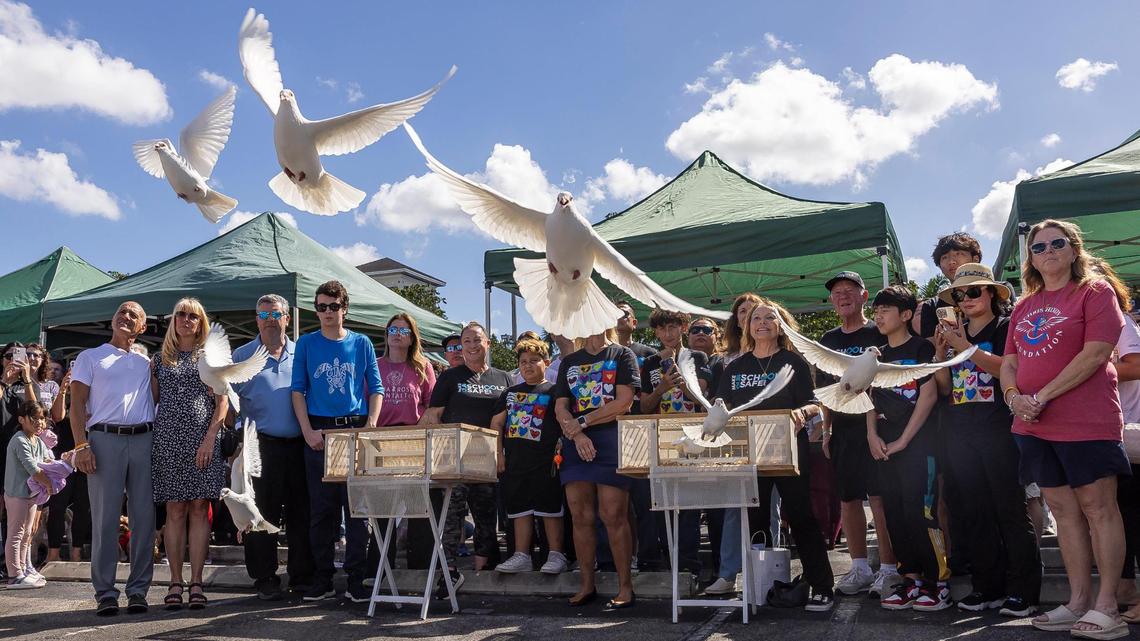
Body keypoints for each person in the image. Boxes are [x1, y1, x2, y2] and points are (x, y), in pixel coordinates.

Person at [1000, 220, 1129, 638]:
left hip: (1086, 421)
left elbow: (1096, 354)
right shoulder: (1024, 305)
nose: (1049, 251)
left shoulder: (1095, 291)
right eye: (1039, 247)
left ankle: (1108, 605)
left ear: (1074, 251)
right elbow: (1010, 361)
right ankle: (1077, 602)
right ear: (1031, 258)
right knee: (1064, 513)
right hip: (1033, 426)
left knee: (1099, 509)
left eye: (1058, 243)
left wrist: (1043, 396)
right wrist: (1014, 398)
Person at [713, 299, 835, 611]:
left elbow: (814, 403)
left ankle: (822, 586)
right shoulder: (735, 368)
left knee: (801, 517)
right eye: (756, 318)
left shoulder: (792, 363)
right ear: (747, 326)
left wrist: (799, 412)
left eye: (770, 318)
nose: (763, 323)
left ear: (780, 326)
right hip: (748, 455)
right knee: (755, 521)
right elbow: (721, 406)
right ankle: (760, 586)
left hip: (788, 453)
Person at [933, 264, 1041, 616]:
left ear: (993, 293)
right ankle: (986, 587)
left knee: (1010, 511)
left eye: (974, 291)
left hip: (1000, 429)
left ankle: (1023, 591)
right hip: (961, 433)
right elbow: (947, 390)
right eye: (959, 294)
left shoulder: (1007, 327)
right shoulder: (954, 333)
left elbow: (1013, 371)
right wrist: (940, 355)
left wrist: (964, 347)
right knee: (974, 513)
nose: (966, 299)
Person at [291, 280, 384, 604]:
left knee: (358, 510)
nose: (326, 313)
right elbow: (297, 391)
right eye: (320, 307)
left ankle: (357, 580)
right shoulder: (305, 343)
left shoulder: (361, 344)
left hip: (355, 430)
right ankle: (323, 578)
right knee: (322, 512)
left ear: (344, 308)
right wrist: (307, 431)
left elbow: (376, 387)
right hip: (319, 432)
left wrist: (370, 425)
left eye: (332, 306)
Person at [70, 301, 157, 616]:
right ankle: (106, 592)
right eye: (122, 311)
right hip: (103, 440)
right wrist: (81, 446)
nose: (126, 316)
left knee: (144, 519)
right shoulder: (90, 357)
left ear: (142, 328)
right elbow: (76, 404)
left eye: (135, 314)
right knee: (105, 519)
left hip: (144, 439)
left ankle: (138, 591)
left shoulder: (147, 362)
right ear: (112, 320)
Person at [868, 286, 950, 612]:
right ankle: (911, 580)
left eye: (885, 309)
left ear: (905, 314)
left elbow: (929, 396)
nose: (878, 316)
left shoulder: (921, 349)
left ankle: (937, 582)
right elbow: (868, 401)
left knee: (922, 513)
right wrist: (871, 436)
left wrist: (904, 440)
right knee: (895, 515)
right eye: (876, 310)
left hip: (920, 447)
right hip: (885, 447)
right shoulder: (875, 356)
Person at [819, 271, 900, 599]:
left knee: (879, 498)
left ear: (865, 296)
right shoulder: (827, 340)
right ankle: (859, 567)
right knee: (848, 499)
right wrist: (825, 430)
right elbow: (826, 390)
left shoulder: (878, 332)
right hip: (842, 429)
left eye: (849, 291)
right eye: (837, 293)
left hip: (877, 428)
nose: (842, 297)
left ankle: (889, 568)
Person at [231, 294, 316, 601]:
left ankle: (302, 576)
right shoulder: (242, 356)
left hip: (299, 445)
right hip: (260, 446)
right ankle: (265, 577)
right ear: (257, 320)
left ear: (287, 319)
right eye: (263, 315)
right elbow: (228, 403)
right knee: (261, 514)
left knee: (300, 514)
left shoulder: (303, 353)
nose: (269, 320)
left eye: (275, 315)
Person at [420, 322, 513, 595]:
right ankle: (447, 573)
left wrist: (500, 454)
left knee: (486, 516)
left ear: (488, 344)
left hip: (486, 459)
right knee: (452, 516)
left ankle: (483, 573)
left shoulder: (504, 379)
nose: (472, 346)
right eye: (467, 341)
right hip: (453, 459)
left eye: (477, 340)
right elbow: (434, 417)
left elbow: (504, 422)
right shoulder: (450, 377)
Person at [149, 298, 228, 610]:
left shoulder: (210, 358)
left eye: (192, 316)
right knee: (174, 511)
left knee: (198, 508)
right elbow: (151, 401)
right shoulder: (158, 360)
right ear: (174, 320)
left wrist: (210, 438)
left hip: (203, 439)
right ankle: (174, 582)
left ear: (200, 323)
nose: (185, 319)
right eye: (180, 314)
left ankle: (196, 581)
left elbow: (223, 403)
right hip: (168, 440)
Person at [554, 326, 640, 609]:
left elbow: (624, 402)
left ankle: (625, 586)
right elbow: (561, 407)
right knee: (580, 516)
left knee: (613, 514)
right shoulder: (570, 361)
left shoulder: (622, 354)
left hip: (610, 438)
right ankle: (586, 584)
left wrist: (584, 423)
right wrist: (577, 434)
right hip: (575, 440)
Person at [639, 309, 711, 575]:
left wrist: (678, 370)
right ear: (656, 332)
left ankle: (689, 566)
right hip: (660, 440)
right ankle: (668, 564)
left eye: (673, 327)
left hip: (691, 438)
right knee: (662, 504)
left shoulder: (698, 356)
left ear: (683, 328)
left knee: (689, 506)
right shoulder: (648, 364)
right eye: (662, 329)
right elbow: (644, 407)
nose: (668, 334)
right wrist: (662, 386)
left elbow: (700, 396)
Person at [491, 336, 567, 574]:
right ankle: (521, 555)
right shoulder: (509, 393)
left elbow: (565, 421)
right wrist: (498, 454)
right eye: (523, 361)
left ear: (546, 362)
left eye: (534, 360)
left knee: (550, 509)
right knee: (520, 509)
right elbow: (496, 424)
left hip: (547, 463)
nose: (528, 365)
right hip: (516, 462)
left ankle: (556, 555)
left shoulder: (555, 391)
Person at [374, 312, 435, 574]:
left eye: (404, 331)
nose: (398, 334)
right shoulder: (374, 364)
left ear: (412, 338)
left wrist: (417, 432)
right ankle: (377, 570)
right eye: (393, 329)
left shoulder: (423, 366)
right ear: (386, 335)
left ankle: (419, 571)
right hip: (379, 443)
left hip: (414, 441)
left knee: (417, 508)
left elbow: (433, 407)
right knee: (382, 511)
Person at [4, 400, 53, 589]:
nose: (40, 422)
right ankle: (14, 575)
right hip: (17, 494)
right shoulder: (18, 439)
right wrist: (50, 484)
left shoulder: (37, 440)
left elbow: (47, 462)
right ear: (21, 419)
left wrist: (64, 461)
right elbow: (34, 469)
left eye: (42, 418)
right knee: (15, 534)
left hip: (31, 494)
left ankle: (23, 570)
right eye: (35, 418)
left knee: (27, 534)